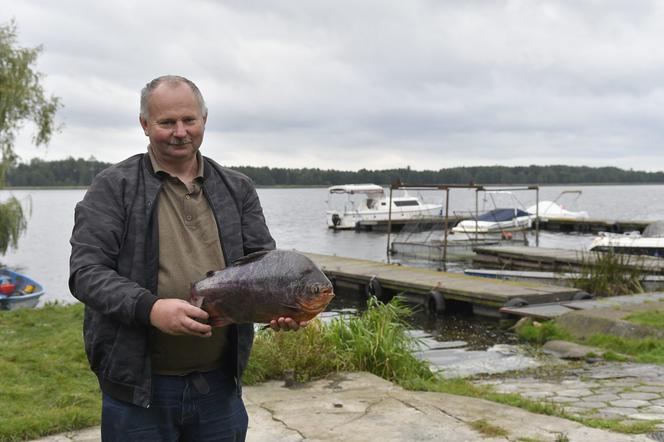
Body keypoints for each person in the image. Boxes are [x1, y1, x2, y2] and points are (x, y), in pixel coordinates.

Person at [69, 75, 306, 441]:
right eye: (166, 122)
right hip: (138, 392)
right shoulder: (113, 187)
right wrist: (151, 309)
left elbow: (264, 267)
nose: (180, 132)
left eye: (189, 120)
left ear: (204, 120)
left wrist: (282, 309)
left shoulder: (237, 188)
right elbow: (86, 273)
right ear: (145, 125)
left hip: (219, 386)